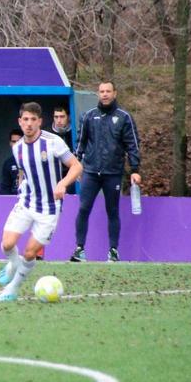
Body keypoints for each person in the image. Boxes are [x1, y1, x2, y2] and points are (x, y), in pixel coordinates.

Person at [0, 102, 82, 301]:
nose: (29, 124)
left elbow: (76, 166)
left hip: (49, 208)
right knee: (7, 245)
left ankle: (12, 289)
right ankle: (12, 264)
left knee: (30, 251)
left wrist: (63, 183)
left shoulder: (53, 142)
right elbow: (24, 173)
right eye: (25, 119)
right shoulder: (17, 149)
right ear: (20, 121)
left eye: (33, 120)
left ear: (40, 122)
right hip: (26, 202)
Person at [70, 81, 141, 263]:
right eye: (101, 91)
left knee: (112, 210)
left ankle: (113, 251)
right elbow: (80, 143)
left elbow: (132, 144)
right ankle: (79, 249)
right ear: (98, 94)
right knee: (84, 208)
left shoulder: (124, 117)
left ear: (115, 93)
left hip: (113, 173)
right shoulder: (88, 116)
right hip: (91, 172)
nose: (105, 94)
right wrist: (76, 166)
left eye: (108, 91)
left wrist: (135, 169)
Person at [51, 106, 76, 195]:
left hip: (71, 174)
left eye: (62, 117)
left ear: (68, 117)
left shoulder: (75, 132)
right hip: (54, 174)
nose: (59, 120)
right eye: (56, 117)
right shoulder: (48, 134)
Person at [0, 128, 24, 195]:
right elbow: (5, 187)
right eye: (13, 141)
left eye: (18, 141)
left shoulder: (32, 159)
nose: (16, 144)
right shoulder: (8, 163)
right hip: (13, 198)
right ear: (10, 143)